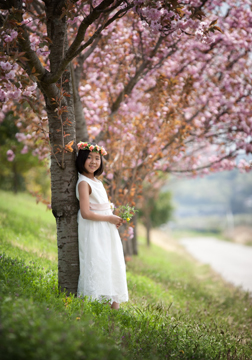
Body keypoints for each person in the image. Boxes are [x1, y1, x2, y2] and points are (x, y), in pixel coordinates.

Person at [76, 141, 128, 310]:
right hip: (93, 229)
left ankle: (114, 307)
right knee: (95, 261)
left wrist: (113, 218)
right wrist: (109, 219)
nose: (93, 162)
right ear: (82, 159)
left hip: (105, 228)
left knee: (111, 260)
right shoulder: (84, 183)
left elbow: (103, 206)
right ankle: (89, 305)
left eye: (97, 158)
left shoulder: (97, 182)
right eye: (89, 158)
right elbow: (85, 213)